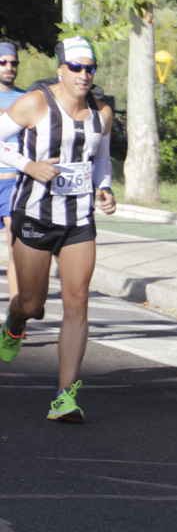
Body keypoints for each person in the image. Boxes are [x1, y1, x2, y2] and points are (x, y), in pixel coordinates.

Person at [0, 37, 117, 423]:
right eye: (77, 68)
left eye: (91, 68)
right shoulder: (35, 102)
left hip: (79, 221)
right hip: (34, 215)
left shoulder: (101, 112)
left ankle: (65, 396)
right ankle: (14, 323)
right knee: (32, 304)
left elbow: (101, 159)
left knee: (78, 301)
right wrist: (27, 165)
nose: (85, 75)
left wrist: (105, 188)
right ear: (61, 69)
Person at [0, 41, 26, 309]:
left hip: (15, 185)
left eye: (14, 62)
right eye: (3, 62)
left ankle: (16, 314)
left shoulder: (27, 99)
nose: (9, 67)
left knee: (15, 251)